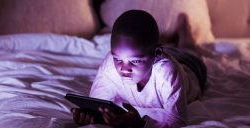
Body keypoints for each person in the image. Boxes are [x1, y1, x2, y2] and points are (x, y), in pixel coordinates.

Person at [71, 10, 207, 128]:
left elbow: (177, 121)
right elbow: (98, 104)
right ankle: (162, 40)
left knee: (188, 48)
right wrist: (93, 116)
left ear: (157, 53)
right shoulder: (110, 64)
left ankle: (184, 29)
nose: (124, 69)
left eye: (135, 61)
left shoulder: (168, 73)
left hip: (189, 67)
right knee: (146, 47)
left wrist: (140, 124)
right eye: (118, 59)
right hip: (151, 53)